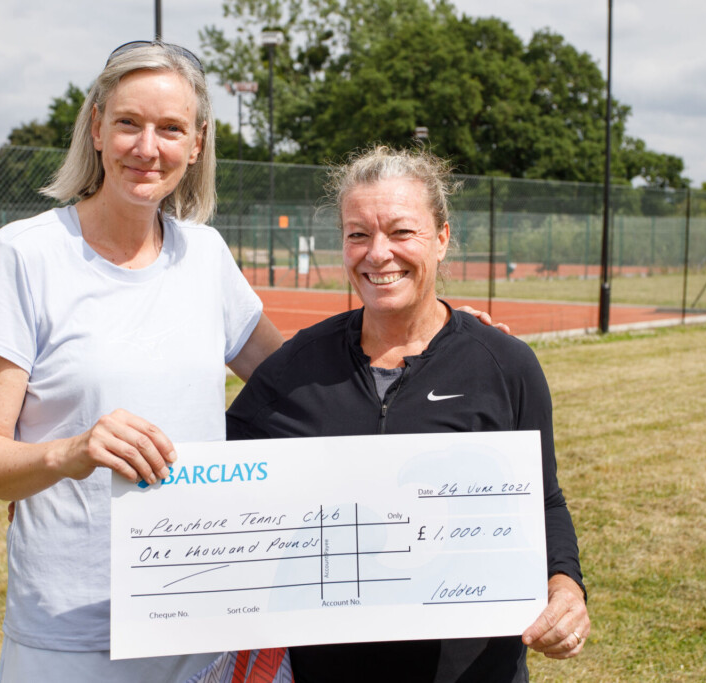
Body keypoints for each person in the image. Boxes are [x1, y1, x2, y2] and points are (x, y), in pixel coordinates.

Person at [0, 41, 284, 682]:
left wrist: (432, 335)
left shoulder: (206, 255)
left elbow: (302, 378)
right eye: (129, 123)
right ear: (97, 128)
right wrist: (71, 451)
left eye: (170, 129)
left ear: (196, 144)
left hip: (197, 610)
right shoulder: (25, 255)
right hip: (71, 629)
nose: (147, 146)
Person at [226, 146, 590, 682]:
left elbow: (545, 500)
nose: (378, 254)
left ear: (442, 239)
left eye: (401, 233)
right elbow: (217, 488)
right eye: (357, 234)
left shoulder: (505, 364)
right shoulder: (294, 367)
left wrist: (566, 585)